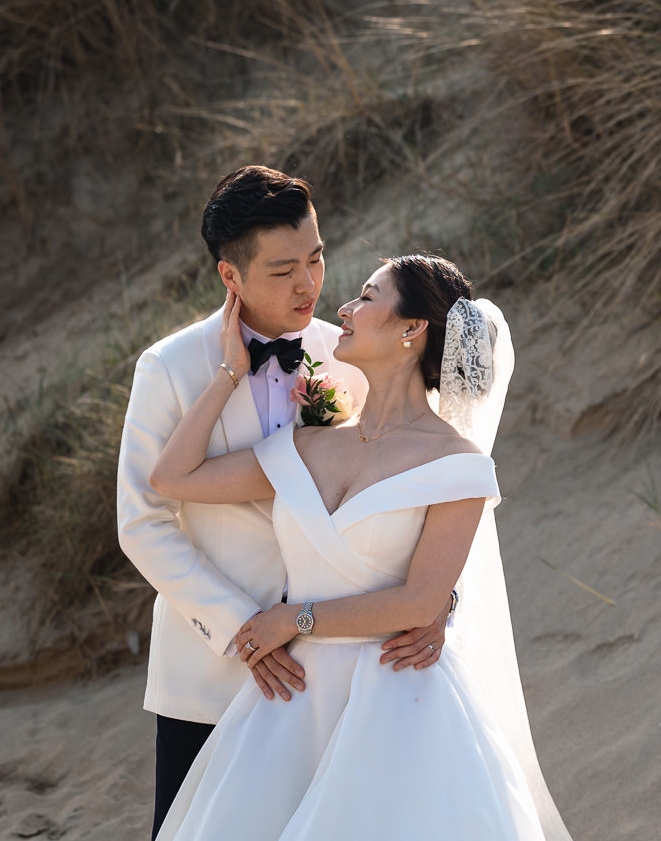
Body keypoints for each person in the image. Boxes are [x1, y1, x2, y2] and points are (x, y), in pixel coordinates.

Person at [148, 254, 571, 840]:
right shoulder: (308, 446)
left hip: (397, 701)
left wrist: (292, 618)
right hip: (292, 700)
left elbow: (421, 600)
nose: (344, 308)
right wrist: (229, 371)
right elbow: (172, 478)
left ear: (411, 328)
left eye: (367, 296)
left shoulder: (459, 465)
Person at [116, 167, 455, 837]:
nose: (308, 284)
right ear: (230, 277)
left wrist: (438, 599)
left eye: (317, 257)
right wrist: (243, 625)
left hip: (334, 664)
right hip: (211, 670)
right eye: (282, 270)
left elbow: (414, 489)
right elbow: (141, 522)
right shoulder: (169, 367)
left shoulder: (353, 353)